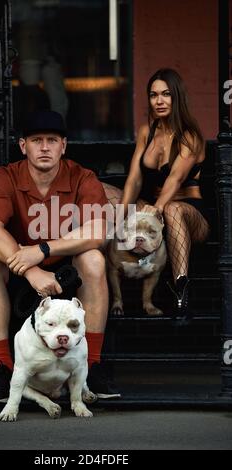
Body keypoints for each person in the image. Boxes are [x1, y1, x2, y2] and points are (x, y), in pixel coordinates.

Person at [0, 109, 120, 402]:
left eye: (52, 140)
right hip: (18, 266)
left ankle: (90, 365)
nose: (44, 147)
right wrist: (31, 269)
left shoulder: (82, 177)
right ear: (22, 145)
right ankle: (3, 367)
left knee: (93, 258)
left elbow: (98, 231)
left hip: (66, 266)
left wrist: (42, 250)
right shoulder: (6, 176)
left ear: (63, 146)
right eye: (36, 140)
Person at [120, 68, 210, 323]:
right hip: (155, 209)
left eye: (166, 94)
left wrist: (157, 207)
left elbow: (176, 179)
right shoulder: (147, 132)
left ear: (177, 97)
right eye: (153, 95)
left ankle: (181, 288)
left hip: (190, 214)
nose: (159, 101)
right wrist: (121, 212)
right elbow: (135, 178)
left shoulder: (190, 136)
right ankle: (117, 287)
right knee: (116, 198)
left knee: (171, 210)